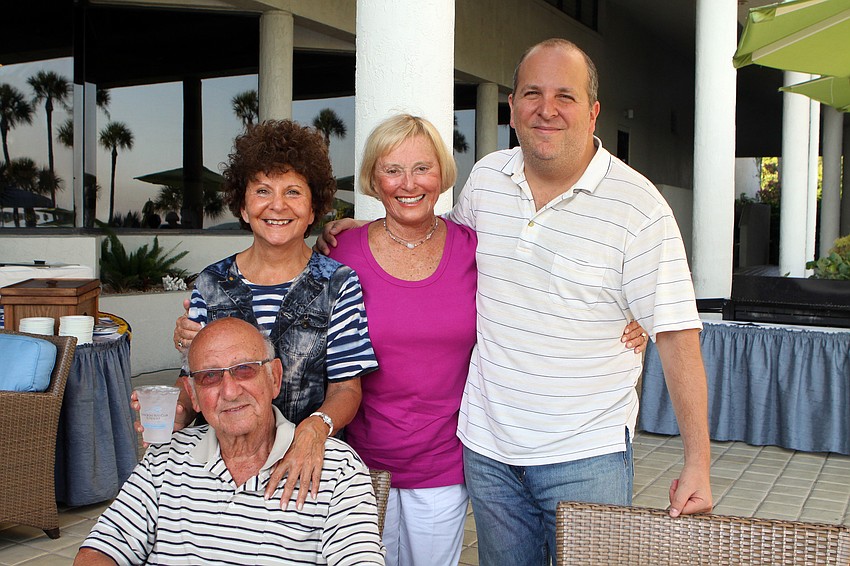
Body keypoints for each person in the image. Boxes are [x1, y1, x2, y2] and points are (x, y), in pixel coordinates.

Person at [319, 39, 711, 566]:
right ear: (512, 106)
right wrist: (367, 229)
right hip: (488, 453)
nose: (547, 109)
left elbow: (679, 335)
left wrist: (698, 461)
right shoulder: (488, 179)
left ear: (593, 111)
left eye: (565, 96)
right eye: (532, 93)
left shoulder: (639, 208)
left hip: (585, 455)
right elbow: (437, 241)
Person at [164, 119, 378, 510]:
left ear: (313, 209)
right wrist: (176, 407)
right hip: (221, 471)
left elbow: (347, 390)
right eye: (262, 191)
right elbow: (193, 380)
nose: (277, 205)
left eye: (293, 192)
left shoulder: (338, 284)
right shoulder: (210, 283)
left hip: (304, 472)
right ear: (243, 207)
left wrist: (315, 429)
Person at [76, 318, 385, 565]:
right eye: (209, 376)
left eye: (244, 369)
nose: (230, 391)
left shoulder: (336, 468)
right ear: (193, 395)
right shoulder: (164, 459)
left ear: (274, 378)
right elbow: (99, 551)